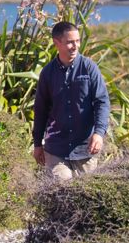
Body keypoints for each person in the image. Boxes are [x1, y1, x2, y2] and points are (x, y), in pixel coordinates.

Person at [32, 21, 110, 180]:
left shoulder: (90, 68)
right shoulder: (47, 73)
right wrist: (37, 144)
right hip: (55, 148)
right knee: (62, 186)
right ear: (57, 43)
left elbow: (102, 102)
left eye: (77, 41)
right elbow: (40, 110)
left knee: (84, 197)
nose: (75, 46)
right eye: (69, 42)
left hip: (85, 149)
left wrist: (99, 133)